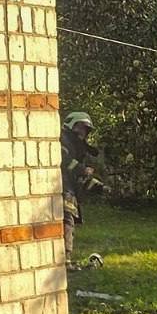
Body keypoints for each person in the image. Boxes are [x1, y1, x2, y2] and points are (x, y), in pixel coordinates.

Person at [60, 111, 104, 268]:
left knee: (68, 221)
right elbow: (65, 161)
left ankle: (66, 258)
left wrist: (98, 187)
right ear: (72, 125)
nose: (83, 132)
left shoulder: (78, 147)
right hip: (62, 187)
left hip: (70, 188)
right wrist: (82, 169)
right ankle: (65, 259)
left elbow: (80, 176)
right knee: (67, 220)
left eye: (86, 130)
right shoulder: (63, 140)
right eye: (81, 128)